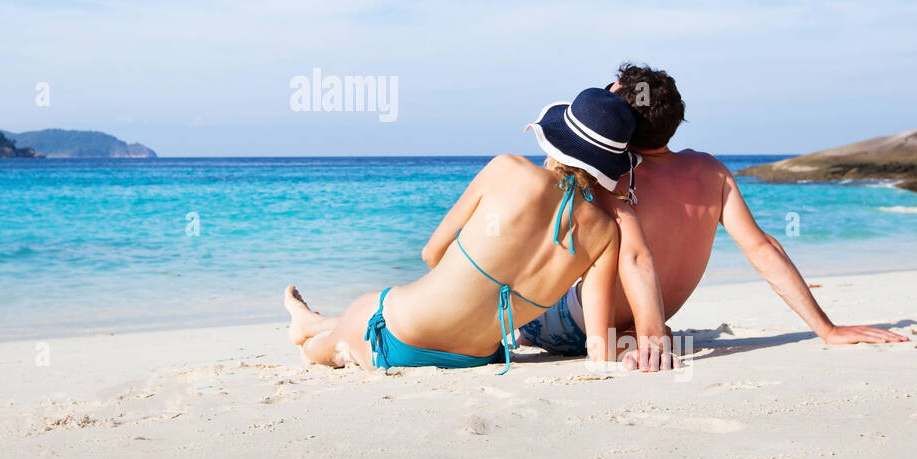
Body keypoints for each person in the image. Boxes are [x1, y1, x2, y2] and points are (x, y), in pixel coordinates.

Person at [519, 64, 908, 357]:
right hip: (646, 324)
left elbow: (554, 216)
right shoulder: (712, 172)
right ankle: (638, 340)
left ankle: (521, 333)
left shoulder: (616, 180)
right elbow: (762, 249)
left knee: (526, 311)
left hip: (578, 323)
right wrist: (826, 329)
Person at [284, 88, 678, 373]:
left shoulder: (506, 168)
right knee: (345, 326)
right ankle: (310, 321)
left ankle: (311, 332)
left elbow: (431, 253)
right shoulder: (606, 235)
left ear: (555, 136)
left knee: (333, 339)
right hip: (475, 356)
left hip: (398, 335)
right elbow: (597, 347)